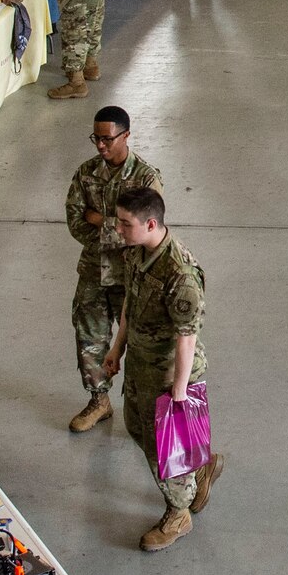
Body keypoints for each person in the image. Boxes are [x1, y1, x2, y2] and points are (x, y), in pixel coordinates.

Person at [103, 186, 225, 553]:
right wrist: (116, 348)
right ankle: (199, 470)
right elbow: (130, 303)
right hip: (141, 364)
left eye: (126, 224)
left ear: (151, 223)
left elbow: (187, 339)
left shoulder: (181, 274)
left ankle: (178, 513)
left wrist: (178, 392)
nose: (119, 229)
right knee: (137, 429)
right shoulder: (137, 254)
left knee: (164, 450)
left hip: (170, 373)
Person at [65, 106, 163, 433]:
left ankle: (144, 412)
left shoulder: (146, 178)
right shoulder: (85, 173)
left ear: (126, 135)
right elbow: (76, 222)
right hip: (93, 272)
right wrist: (118, 229)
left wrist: (101, 220)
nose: (100, 146)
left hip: (131, 276)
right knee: (89, 338)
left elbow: (148, 232)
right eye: (96, 138)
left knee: (139, 344)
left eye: (107, 139)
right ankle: (99, 401)